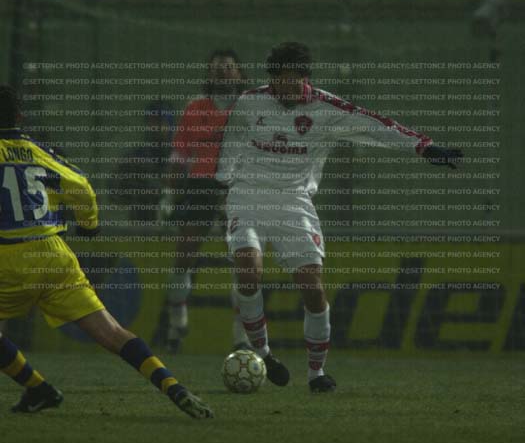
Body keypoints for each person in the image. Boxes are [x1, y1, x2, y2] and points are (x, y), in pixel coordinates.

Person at [215, 42, 462, 392]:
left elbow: (377, 125)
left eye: (292, 79)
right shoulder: (250, 102)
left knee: (312, 288)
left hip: (294, 201)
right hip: (248, 195)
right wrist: (222, 184)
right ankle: (263, 353)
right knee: (248, 268)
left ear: (304, 78)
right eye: (279, 79)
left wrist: (425, 147)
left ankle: (316, 373)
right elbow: (231, 142)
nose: (285, 87)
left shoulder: (327, 108)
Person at [0, 85, 212, 419]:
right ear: (20, 116)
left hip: (7, 256)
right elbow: (82, 185)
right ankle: (174, 387)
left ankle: (37, 386)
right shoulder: (37, 150)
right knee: (112, 332)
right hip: (54, 255)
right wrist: (89, 226)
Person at [156, 49, 251, 353]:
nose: (223, 72)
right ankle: (176, 323)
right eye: (217, 68)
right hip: (201, 185)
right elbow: (180, 154)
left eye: (229, 67)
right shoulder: (195, 108)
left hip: (237, 187)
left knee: (243, 261)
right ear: (209, 74)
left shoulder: (252, 107)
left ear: (240, 73)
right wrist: (169, 195)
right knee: (184, 255)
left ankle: (242, 335)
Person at [111, 100, 174, 223]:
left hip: (173, 228)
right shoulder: (134, 160)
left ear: (169, 124)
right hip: (142, 227)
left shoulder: (181, 160)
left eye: (160, 121)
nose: (155, 127)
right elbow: (116, 195)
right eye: (152, 121)